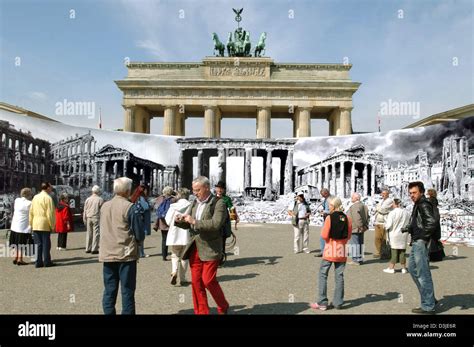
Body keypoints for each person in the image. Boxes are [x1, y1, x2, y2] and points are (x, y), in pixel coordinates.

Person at [175, 176, 229, 315]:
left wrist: (194, 221)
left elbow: (216, 224)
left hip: (211, 248)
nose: (195, 193)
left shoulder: (219, 203)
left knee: (208, 280)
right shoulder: (194, 203)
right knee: (196, 282)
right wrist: (181, 220)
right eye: (193, 190)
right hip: (195, 247)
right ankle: (201, 311)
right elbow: (190, 224)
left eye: (197, 190)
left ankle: (223, 306)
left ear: (206, 187)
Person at [99, 177, 145, 315]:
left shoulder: (105, 206)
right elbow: (139, 233)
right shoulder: (130, 207)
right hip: (125, 254)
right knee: (127, 291)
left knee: (109, 290)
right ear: (127, 191)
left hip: (108, 253)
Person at [310, 197, 352, 311]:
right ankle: (338, 302)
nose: (329, 206)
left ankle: (322, 302)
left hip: (330, 249)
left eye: (330, 205)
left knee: (323, 274)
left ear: (334, 206)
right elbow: (348, 235)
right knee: (339, 276)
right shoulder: (348, 218)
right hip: (342, 250)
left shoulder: (329, 218)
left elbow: (324, 235)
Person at [403, 181, 439, 314]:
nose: (411, 195)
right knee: (413, 269)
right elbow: (418, 222)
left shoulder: (423, 204)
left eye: (414, 193)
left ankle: (428, 305)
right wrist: (408, 227)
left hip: (420, 242)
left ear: (421, 192)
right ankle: (429, 298)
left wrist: (423, 238)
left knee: (422, 273)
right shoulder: (417, 204)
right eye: (410, 193)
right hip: (416, 241)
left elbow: (431, 222)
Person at [165, 187, 192, 286]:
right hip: (185, 233)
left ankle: (174, 271)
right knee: (185, 256)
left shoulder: (173, 206)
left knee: (175, 254)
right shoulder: (190, 205)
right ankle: (183, 278)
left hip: (174, 232)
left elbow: (167, 220)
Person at [29, 182, 56, 268]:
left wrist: (31, 223)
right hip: (44, 223)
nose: (51, 188)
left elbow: (31, 211)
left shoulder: (35, 197)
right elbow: (50, 213)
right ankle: (47, 261)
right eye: (50, 187)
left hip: (36, 222)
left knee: (38, 244)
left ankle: (38, 261)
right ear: (47, 188)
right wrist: (52, 225)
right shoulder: (48, 198)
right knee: (46, 244)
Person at [383, 198, 410, 274]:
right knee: (402, 251)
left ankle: (391, 268)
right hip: (404, 234)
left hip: (394, 234)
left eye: (393, 203)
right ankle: (403, 268)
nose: (392, 205)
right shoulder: (407, 213)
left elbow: (388, 225)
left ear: (396, 204)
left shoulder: (392, 213)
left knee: (394, 251)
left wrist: (385, 224)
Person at [9, 188, 33, 266]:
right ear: (28, 195)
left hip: (15, 225)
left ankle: (16, 257)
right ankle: (20, 259)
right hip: (23, 227)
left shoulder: (17, 200)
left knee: (16, 243)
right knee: (21, 243)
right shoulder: (29, 203)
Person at [214, 181, 235, 262]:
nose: (219, 190)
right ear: (216, 189)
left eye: (221, 188)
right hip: (214, 222)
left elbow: (231, 208)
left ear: (224, 190)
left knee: (222, 241)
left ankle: (220, 258)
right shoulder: (212, 198)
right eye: (218, 188)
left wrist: (234, 218)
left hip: (224, 223)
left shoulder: (227, 199)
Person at [154, 186, 177, 261]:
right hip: (171, 222)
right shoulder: (173, 199)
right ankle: (176, 254)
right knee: (174, 238)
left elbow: (156, 208)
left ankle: (164, 256)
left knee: (164, 239)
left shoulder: (159, 199)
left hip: (161, 221)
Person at [346, 192, 369, 265]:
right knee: (360, 243)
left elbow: (357, 218)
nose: (351, 199)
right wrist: (365, 226)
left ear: (356, 198)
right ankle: (360, 259)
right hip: (361, 228)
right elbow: (367, 216)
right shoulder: (364, 205)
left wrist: (361, 226)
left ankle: (355, 260)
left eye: (352, 197)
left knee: (354, 244)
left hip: (355, 228)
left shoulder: (355, 206)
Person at [130, 184, 151, 258]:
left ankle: (136, 252)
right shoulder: (141, 198)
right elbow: (146, 207)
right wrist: (149, 203)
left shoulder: (134, 197)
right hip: (141, 219)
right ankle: (141, 253)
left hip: (135, 217)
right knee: (141, 236)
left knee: (136, 235)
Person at [83, 185, 104, 254]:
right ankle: (94, 249)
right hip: (96, 217)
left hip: (88, 217)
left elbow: (85, 210)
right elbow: (102, 210)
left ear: (92, 191)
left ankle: (87, 248)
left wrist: (84, 219)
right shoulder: (100, 199)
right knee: (96, 233)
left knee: (89, 233)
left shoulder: (88, 199)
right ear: (98, 192)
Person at [373, 188, 394, 258]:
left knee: (385, 239)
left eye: (385, 194)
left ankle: (385, 253)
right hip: (377, 222)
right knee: (377, 238)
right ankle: (378, 252)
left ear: (388, 194)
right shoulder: (381, 201)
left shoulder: (390, 201)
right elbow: (377, 209)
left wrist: (378, 208)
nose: (383, 195)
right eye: (382, 194)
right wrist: (378, 208)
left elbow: (383, 210)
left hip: (385, 222)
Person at [316, 188, 332, 257]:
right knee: (325, 236)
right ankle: (325, 251)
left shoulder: (331, 200)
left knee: (324, 235)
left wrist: (325, 212)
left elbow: (334, 210)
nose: (322, 196)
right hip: (326, 219)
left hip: (330, 220)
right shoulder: (327, 199)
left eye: (322, 195)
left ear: (326, 193)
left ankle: (324, 251)